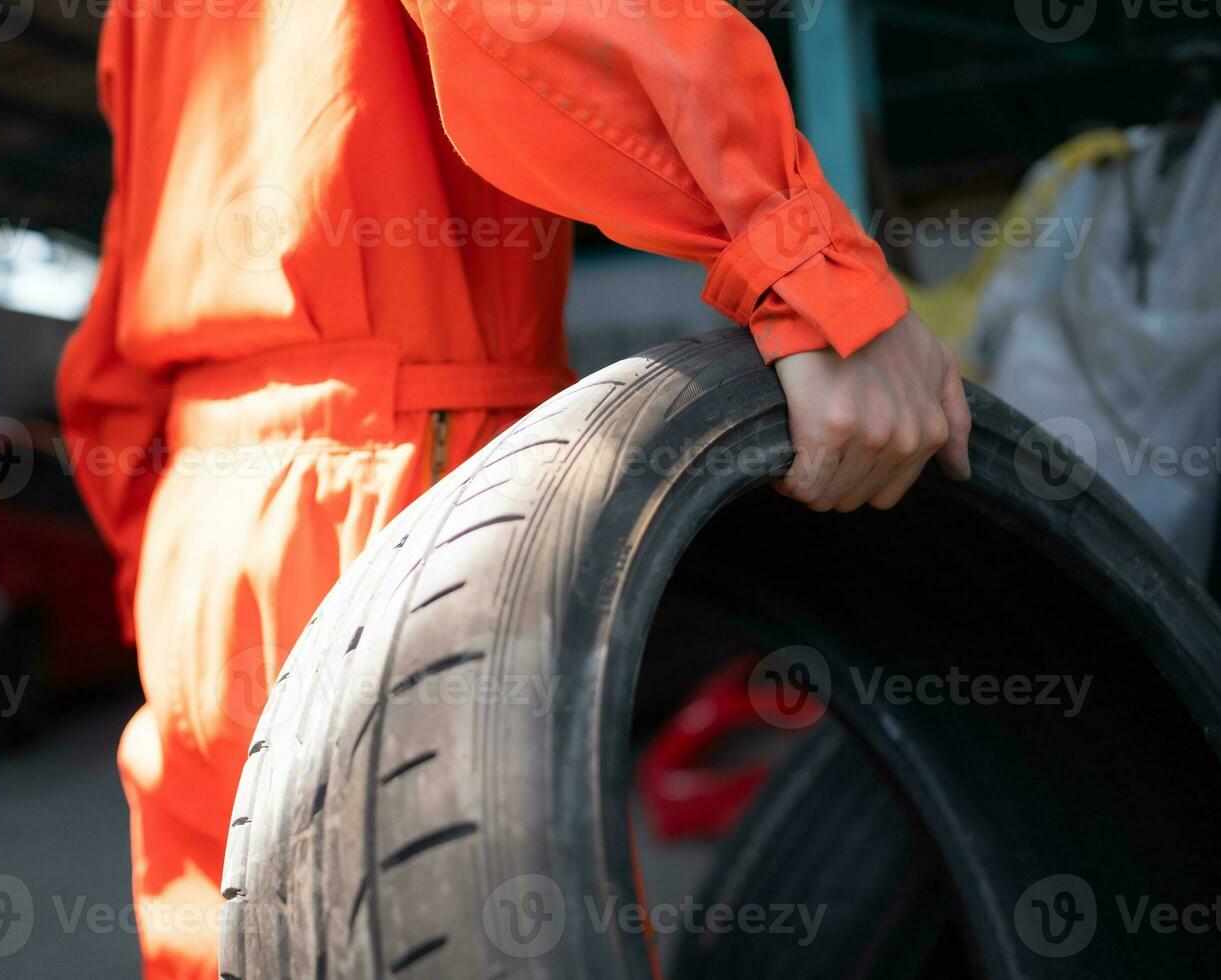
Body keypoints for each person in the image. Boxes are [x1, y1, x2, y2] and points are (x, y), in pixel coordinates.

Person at [57, 0, 972, 975]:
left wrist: (159, 577)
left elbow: (116, 316)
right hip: (406, 492)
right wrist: (807, 270)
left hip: (198, 529)